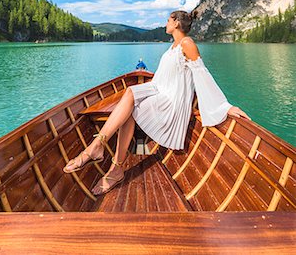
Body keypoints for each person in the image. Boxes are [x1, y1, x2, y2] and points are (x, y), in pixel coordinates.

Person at [63, 10, 250, 195]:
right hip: (161, 93)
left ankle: (97, 149)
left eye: (168, 20)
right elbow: (160, 81)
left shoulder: (187, 43)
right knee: (130, 101)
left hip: (172, 105)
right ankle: (114, 167)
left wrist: (225, 106)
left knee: (129, 95)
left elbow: (203, 76)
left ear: (176, 23)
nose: (166, 23)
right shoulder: (172, 48)